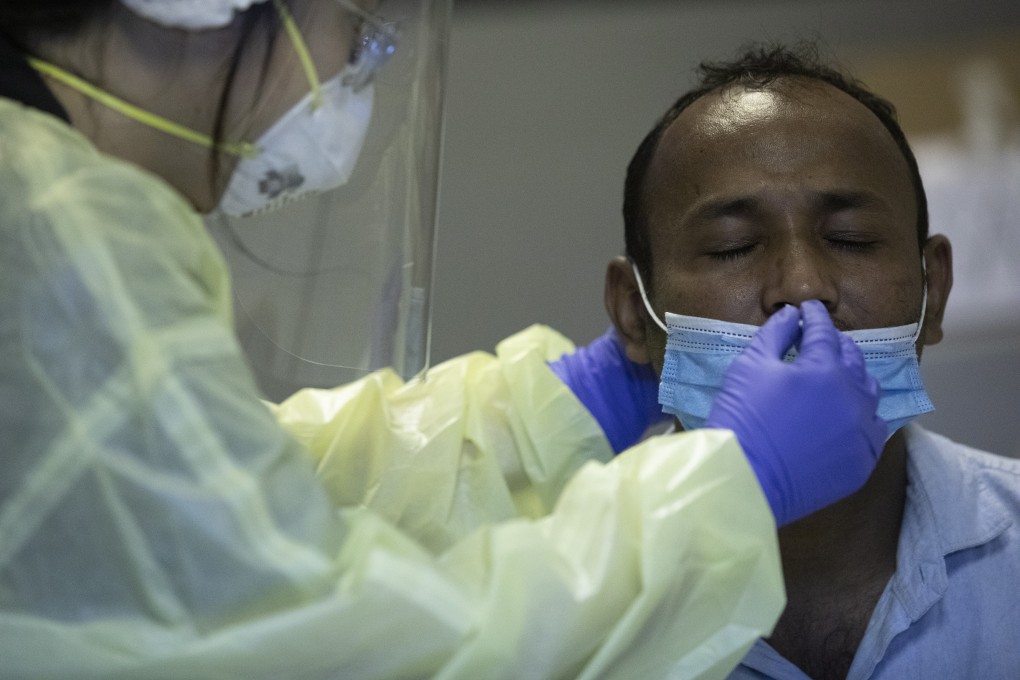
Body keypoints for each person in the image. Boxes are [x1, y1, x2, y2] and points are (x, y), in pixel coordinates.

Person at [0, 2, 885, 676]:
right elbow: (347, 641)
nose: (800, 289)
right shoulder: (55, 236)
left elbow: (246, 487)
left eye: (850, 239)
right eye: (354, 24)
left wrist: (549, 414)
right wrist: (733, 484)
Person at [605, 42, 1020, 680]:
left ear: (933, 291)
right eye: (732, 247)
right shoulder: (549, 604)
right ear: (635, 311)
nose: (801, 287)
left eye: (850, 239)